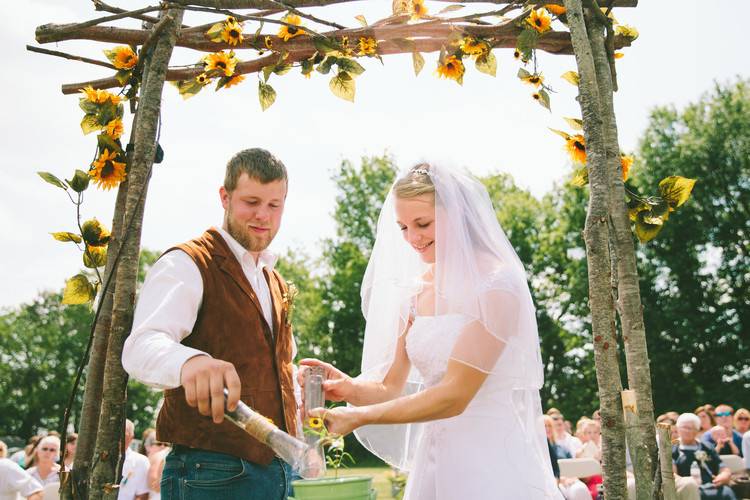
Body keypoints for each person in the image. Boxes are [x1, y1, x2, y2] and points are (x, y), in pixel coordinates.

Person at [301, 164, 562, 499]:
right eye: (404, 227)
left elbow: (454, 394)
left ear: (459, 214)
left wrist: (359, 417)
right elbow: (390, 385)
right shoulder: (416, 292)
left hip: (491, 458)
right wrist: (347, 387)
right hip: (434, 458)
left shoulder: (497, 285)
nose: (412, 238)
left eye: (423, 223)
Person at [122, 148, 299, 500]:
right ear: (225, 197)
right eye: (251, 202)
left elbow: (275, 369)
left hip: (279, 471)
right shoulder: (188, 263)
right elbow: (141, 346)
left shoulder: (273, 280)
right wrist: (190, 361)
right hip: (211, 473)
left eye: (274, 205)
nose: (263, 215)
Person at [673, 413, 735, 500]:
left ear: (697, 430)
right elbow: (672, 474)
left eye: (691, 428)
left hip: (712, 485)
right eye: (684, 427)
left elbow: (722, 467)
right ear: (678, 429)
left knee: (727, 492)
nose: (687, 431)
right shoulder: (674, 450)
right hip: (690, 489)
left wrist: (725, 475)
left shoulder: (707, 447)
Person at [544, 416, 589, 500]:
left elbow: (573, 466)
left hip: (570, 479)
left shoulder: (562, 449)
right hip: (553, 482)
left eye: (549, 426)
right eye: (544, 426)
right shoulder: (539, 452)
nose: (547, 429)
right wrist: (560, 479)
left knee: (580, 489)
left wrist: (573, 477)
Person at [118, 420, 149, 500]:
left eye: (123, 433)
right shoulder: (95, 458)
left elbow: (143, 495)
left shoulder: (141, 461)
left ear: (131, 437)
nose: (118, 437)